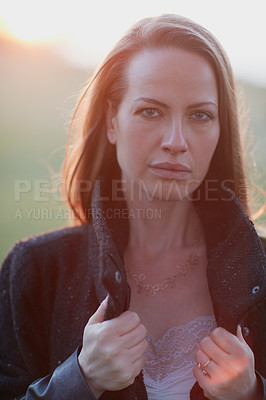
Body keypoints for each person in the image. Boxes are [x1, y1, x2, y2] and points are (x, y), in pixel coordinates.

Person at [0, 13, 265, 400]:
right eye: (151, 111)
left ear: (219, 129)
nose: (176, 140)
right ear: (112, 121)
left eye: (200, 115)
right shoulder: (34, 272)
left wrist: (252, 392)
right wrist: (80, 378)